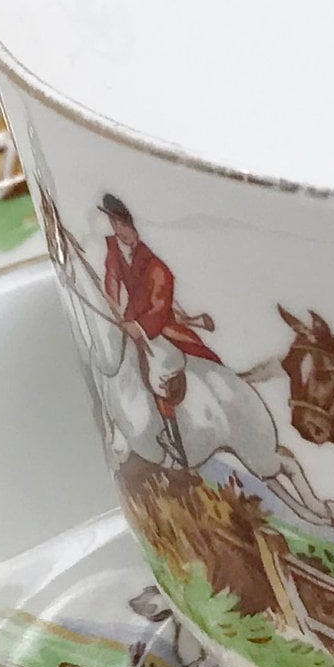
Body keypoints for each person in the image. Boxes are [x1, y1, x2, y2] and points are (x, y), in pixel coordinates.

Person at [100, 194, 215, 466]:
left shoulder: (157, 266)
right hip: (127, 322)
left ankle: (175, 441)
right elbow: (112, 279)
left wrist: (139, 327)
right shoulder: (114, 249)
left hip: (158, 326)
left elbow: (160, 307)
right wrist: (114, 309)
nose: (119, 230)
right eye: (115, 224)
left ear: (134, 226)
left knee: (161, 369)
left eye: (123, 225)